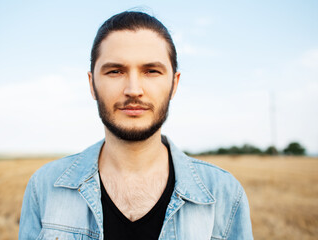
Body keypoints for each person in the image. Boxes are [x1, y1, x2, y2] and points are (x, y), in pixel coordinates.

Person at [19, 11, 253, 240]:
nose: (133, 89)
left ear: (174, 84)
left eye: (151, 71)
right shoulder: (45, 188)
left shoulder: (225, 195)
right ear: (92, 85)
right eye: (115, 71)